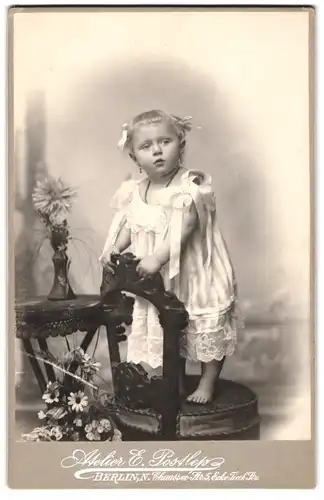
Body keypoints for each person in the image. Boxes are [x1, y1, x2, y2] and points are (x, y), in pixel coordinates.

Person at [100, 109, 242, 404]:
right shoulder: (136, 190)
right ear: (134, 158)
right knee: (168, 330)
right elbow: (132, 222)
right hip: (161, 280)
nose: (157, 151)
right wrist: (117, 246)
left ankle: (207, 381)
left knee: (203, 324)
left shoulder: (188, 186)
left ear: (181, 144)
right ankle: (175, 381)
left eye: (164, 142)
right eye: (146, 146)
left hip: (192, 271)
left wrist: (158, 257)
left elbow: (185, 227)